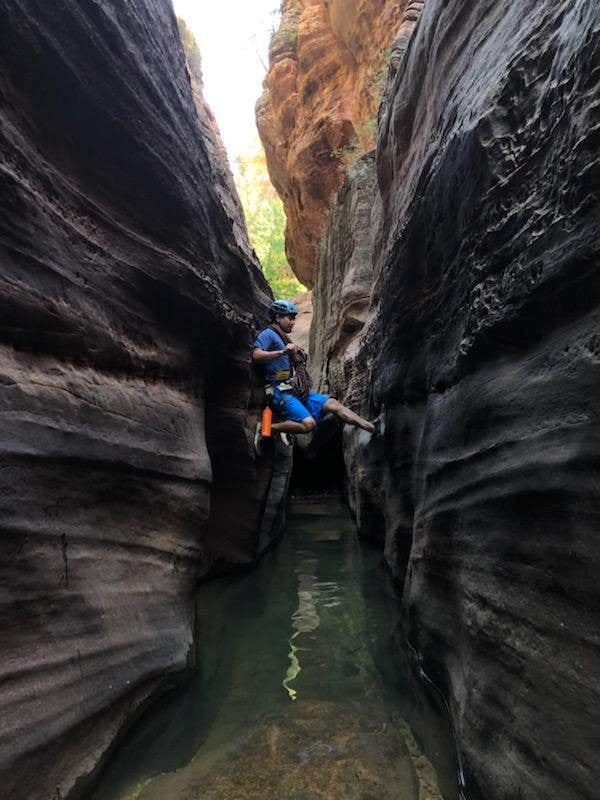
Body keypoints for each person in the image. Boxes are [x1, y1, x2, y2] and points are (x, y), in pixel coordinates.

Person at [252, 299, 375, 449]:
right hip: (280, 392)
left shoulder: (284, 338)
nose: (292, 322)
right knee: (308, 424)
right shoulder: (268, 334)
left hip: (295, 390)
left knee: (333, 404)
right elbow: (256, 355)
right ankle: (266, 428)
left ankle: (370, 427)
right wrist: (282, 352)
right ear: (278, 318)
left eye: (294, 318)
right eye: (289, 318)